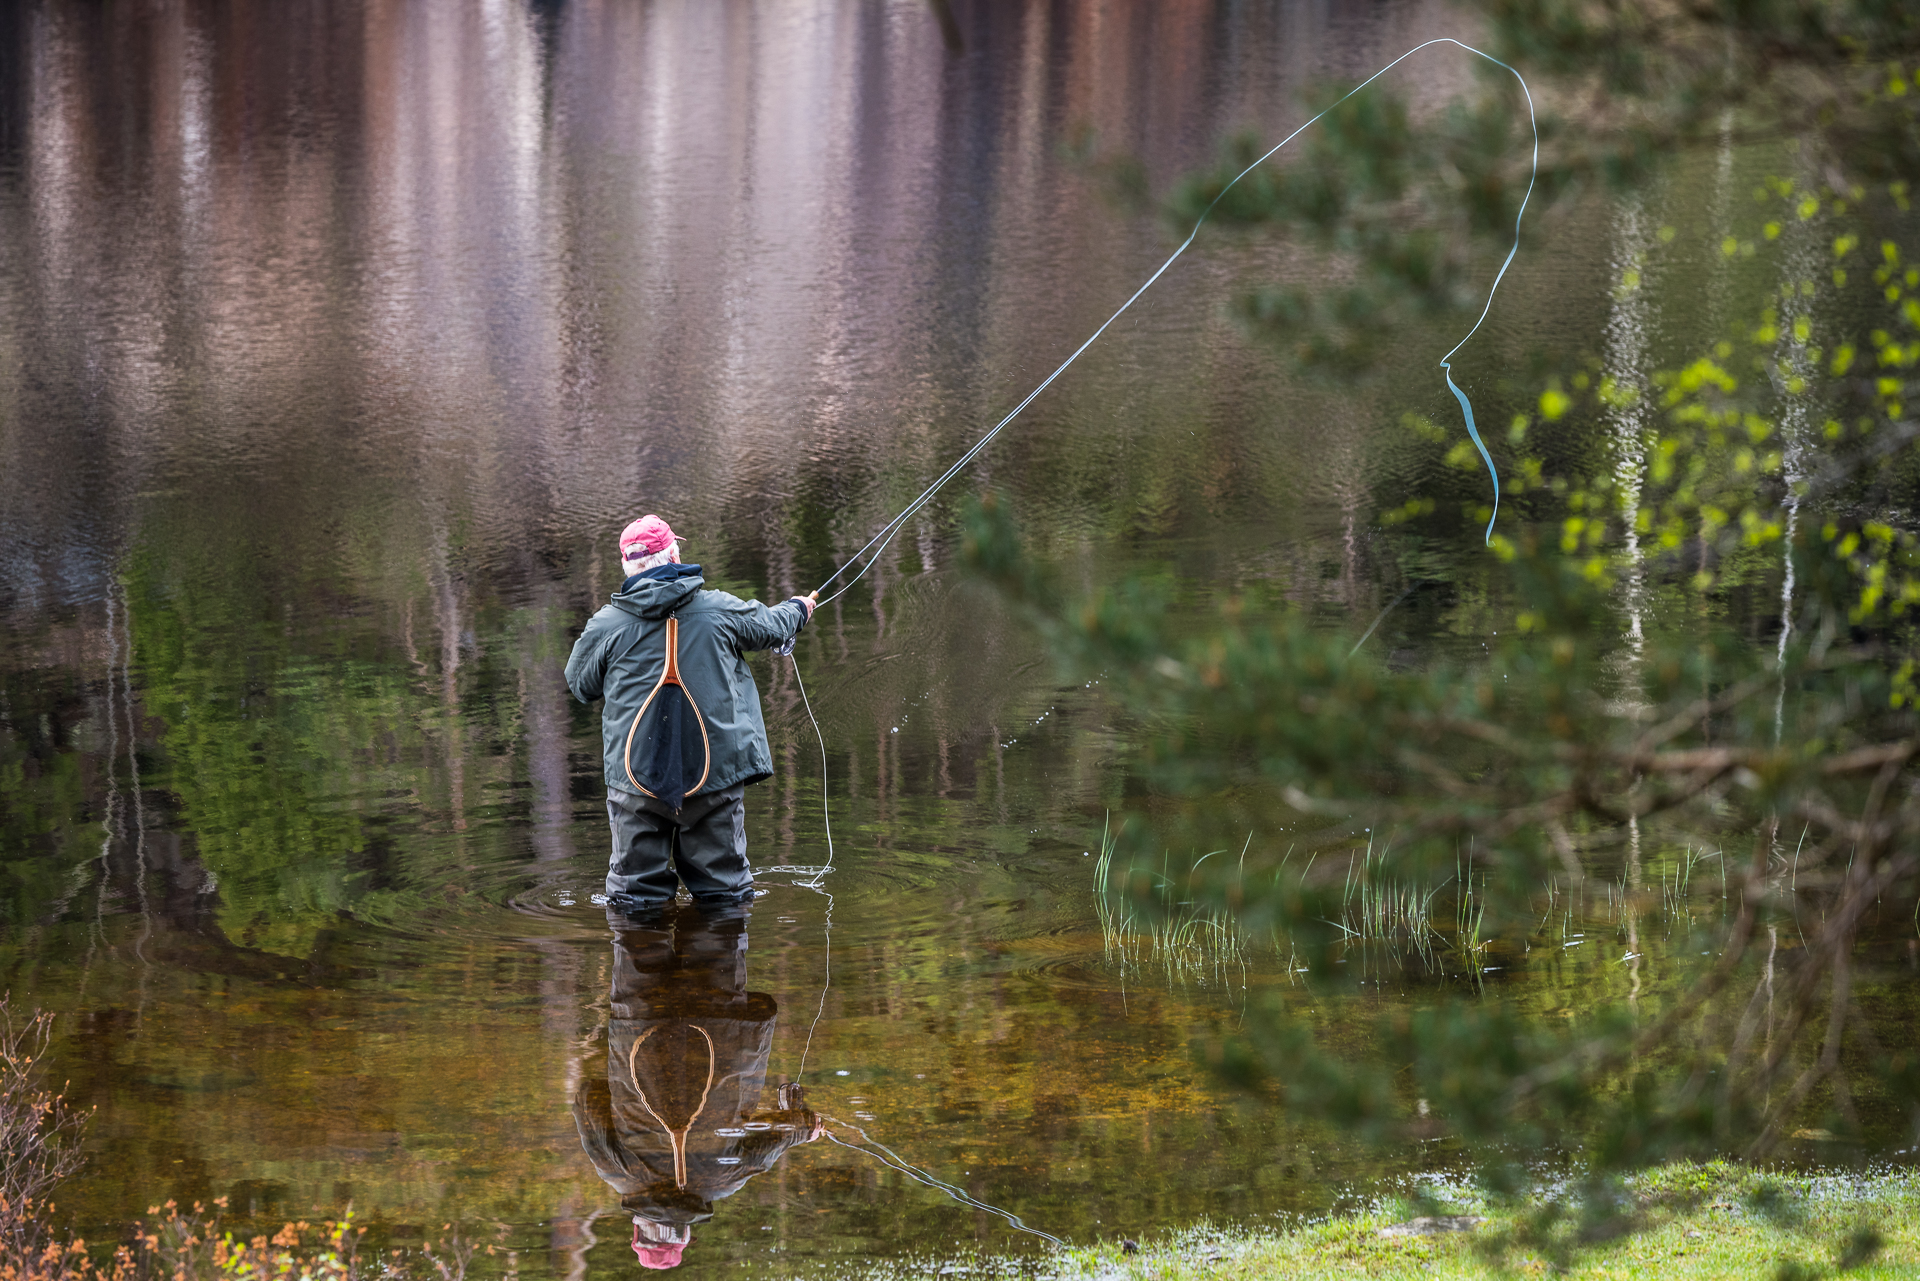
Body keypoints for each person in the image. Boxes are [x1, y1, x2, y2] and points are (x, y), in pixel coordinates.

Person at [565, 515, 815, 910]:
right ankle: (715, 961)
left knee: (633, 901)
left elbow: (580, 686)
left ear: (627, 567)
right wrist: (799, 609)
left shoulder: (605, 625)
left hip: (634, 784)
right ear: (675, 554)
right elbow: (772, 626)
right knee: (726, 897)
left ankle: (641, 961)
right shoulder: (721, 609)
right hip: (714, 779)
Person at [571, 900, 823, 1270]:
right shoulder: (618, 1174)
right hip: (640, 1013)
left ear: (683, 1233)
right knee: (637, 916)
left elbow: (776, 1139)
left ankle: (715, 886)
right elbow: (588, 1098)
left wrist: (806, 1129)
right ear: (639, 1229)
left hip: (720, 1015)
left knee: (720, 915)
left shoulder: (723, 1181)